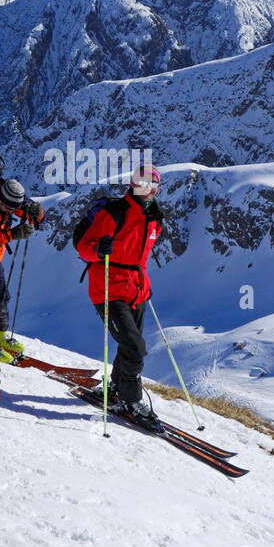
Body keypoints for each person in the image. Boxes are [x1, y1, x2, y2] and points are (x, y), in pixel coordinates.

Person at [75, 164, 164, 418]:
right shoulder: (114, 213)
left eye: (154, 184)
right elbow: (84, 248)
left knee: (128, 346)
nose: (148, 189)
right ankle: (130, 400)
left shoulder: (156, 219)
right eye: (143, 183)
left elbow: (141, 257)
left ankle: (115, 389)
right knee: (135, 348)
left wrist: (143, 284)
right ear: (134, 184)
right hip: (107, 288)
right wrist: (99, 250)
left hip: (136, 289)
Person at [0, 176, 43, 362]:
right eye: (8, 208)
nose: (11, 211)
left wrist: (37, 211)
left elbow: (35, 215)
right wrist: (12, 234)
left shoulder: (10, 200)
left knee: (3, 297)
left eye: (14, 208)